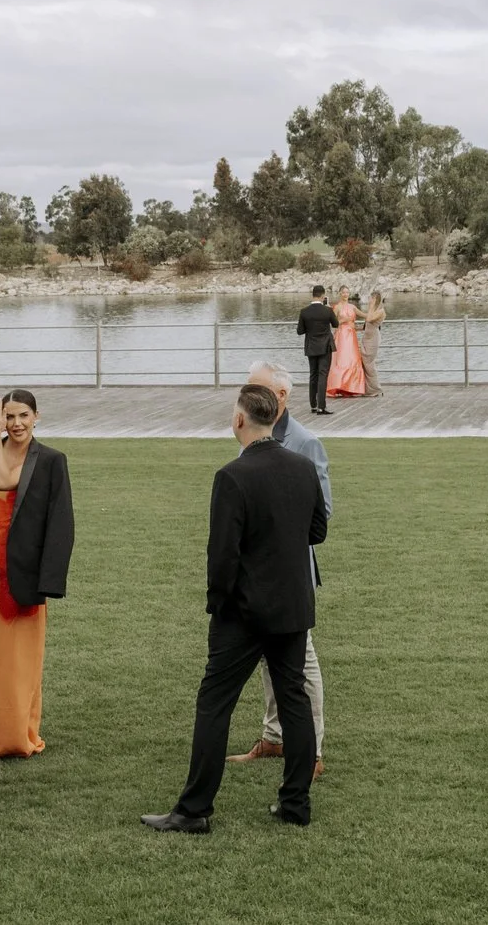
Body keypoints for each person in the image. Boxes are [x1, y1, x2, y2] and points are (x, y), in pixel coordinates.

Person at [141, 381, 327, 834]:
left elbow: (221, 555)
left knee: (214, 704)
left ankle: (195, 809)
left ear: (240, 419)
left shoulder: (232, 476)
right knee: (294, 701)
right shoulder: (302, 468)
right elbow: (318, 530)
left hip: (242, 613)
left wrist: (218, 604)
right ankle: (295, 804)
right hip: (291, 606)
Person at [228, 365, 330, 778]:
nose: (247, 393)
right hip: (255, 575)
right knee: (271, 662)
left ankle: (314, 752)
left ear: (282, 396)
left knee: (301, 663)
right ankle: (274, 738)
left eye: (257, 387)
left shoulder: (306, 444)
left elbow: (321, 517)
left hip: (287, 577)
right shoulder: (250, 434)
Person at [0, 389, 73, 760]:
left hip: (25, 572)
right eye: (8, 417)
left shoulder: (52, 460)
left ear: (37, 416)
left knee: (23, 660)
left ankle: (20, 734)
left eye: (23, 415)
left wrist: (50, 582)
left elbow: (60, 523)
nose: (16, 423)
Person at [295, 287, 336, 417]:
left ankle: (313, 405)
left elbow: (300, 331)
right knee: (323, 375)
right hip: (325, 347)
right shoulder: (327, 310)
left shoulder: (304, 312)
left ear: (312, 295)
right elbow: (336, 324)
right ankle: (321, 407)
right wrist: (329, 308)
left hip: (311, 346)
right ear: (323, 296)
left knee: (313, 375)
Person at [325, 291, 366, 400]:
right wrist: (344, 320)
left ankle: (352, 387)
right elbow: (333, 323)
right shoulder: (337, 307)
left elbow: (364, 315)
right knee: (342, 359)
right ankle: (339, 386)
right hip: (342, 335)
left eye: (347, 292)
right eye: (343, 292)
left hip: (351, 336)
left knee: (353, 359)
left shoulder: (352, 307)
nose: (345, 294)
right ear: (340, 294)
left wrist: (376, 313)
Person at [358, 293, 386, 396]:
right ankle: (367, 389)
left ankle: (375, 389)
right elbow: (366, 325)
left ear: (375, 299)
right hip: (366, 338)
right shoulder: (373, 311)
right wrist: (353, 328)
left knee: (369, 364)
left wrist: (370, 306)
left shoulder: (380, 311)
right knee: (364, 363)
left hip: (373, 339)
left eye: (370, 298)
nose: (369, 299)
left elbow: (369, 319)